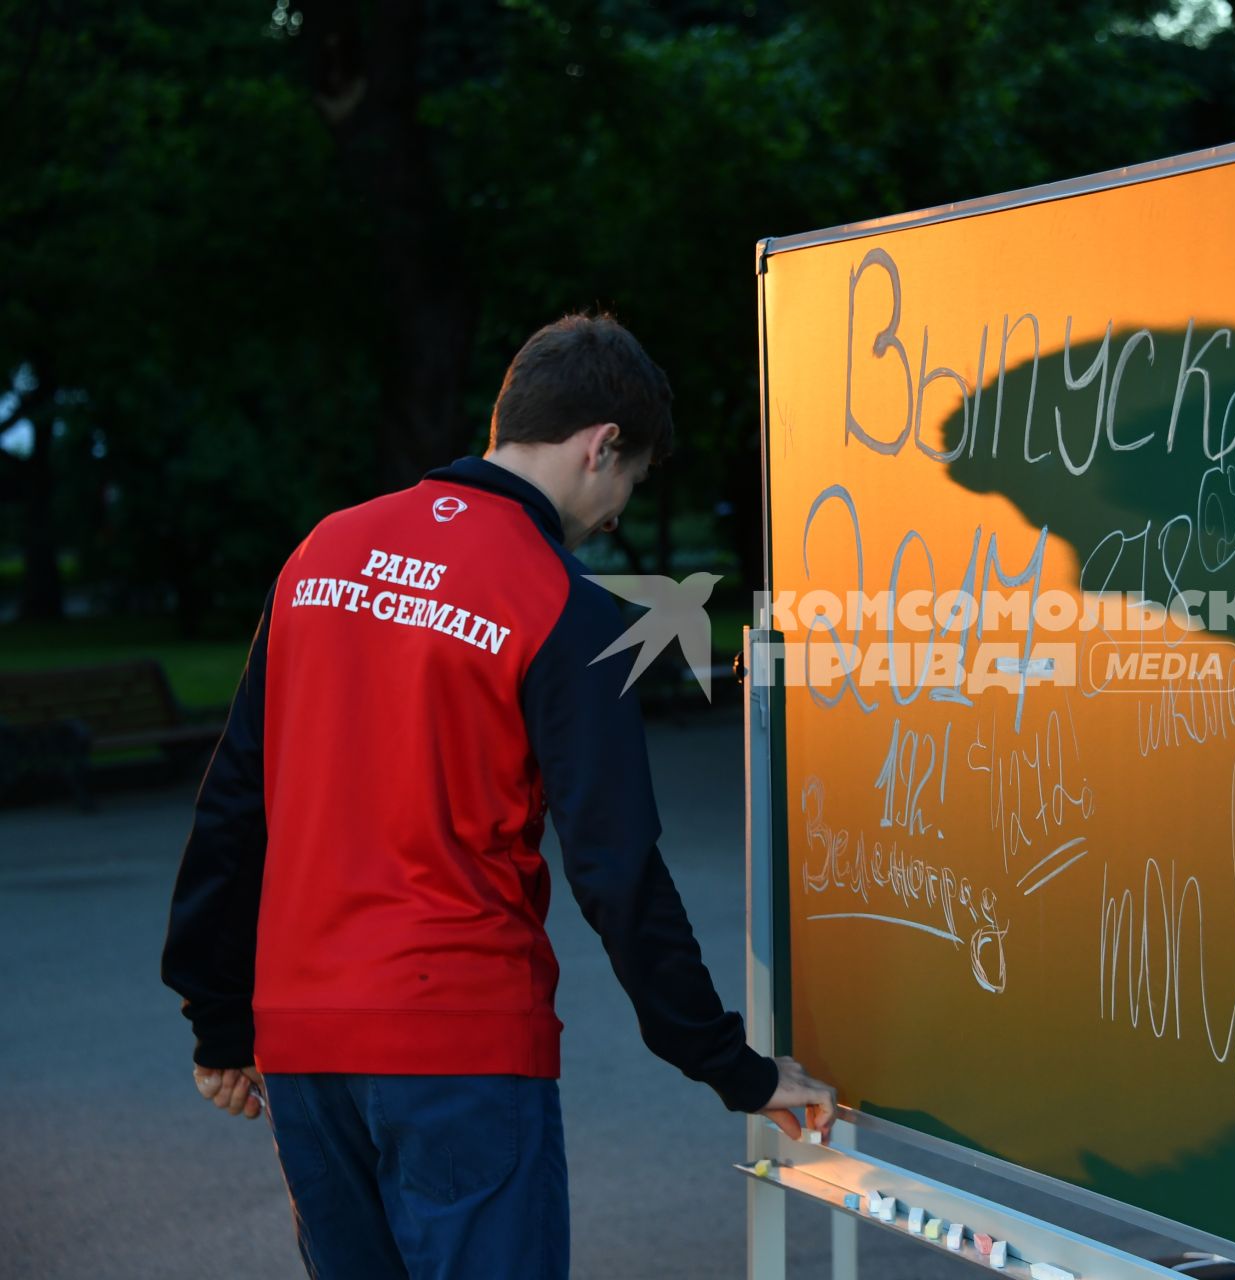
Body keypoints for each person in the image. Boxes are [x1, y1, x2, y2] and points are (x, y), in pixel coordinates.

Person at [162, 314, 833, 1279]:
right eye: (630, 480)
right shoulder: (564, 605)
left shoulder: (322, 554)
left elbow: (234, 799)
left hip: (304, 1043)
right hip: (458, 1047)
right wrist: (731, 1065)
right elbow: (617, 869)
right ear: (602, 444)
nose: (614, 515)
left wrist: (219, 1020)